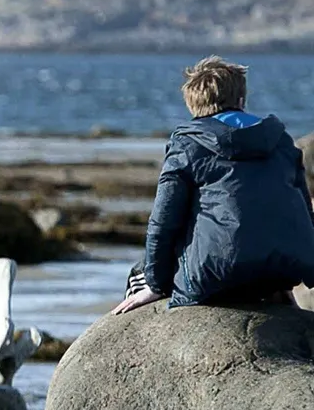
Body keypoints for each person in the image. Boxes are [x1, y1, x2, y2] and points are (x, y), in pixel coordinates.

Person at [114, 56, 314, 315]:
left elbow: (163, 222)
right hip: (286, 271)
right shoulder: (281, 140)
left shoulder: (188, 144)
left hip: (218, 275)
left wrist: (155, 284)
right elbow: (305, 212)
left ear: (192, 105)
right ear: (240, 100)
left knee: (138, 274)